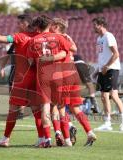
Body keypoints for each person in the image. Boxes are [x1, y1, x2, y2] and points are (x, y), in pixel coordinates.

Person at [0, 14, 44, 147]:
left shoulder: (19, 36)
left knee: (13, 109)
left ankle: (5, 138)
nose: (17, 25)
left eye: (19, 23)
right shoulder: (39, 36)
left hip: (22, 79)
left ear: (25, 23)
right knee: (36, 110)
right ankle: (42, 138)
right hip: (36, 78)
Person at [43, 17, 97, 147]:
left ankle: (66, 139)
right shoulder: (66, 37)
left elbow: (60, 53)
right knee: (75, 108)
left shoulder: (54, 38)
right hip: (73, 75)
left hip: (61, 75)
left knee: (57, 107)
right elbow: (74, 48)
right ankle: (89, 132)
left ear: (56, 27)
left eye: (52, 25)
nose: (49, 27)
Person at [27, 15, 73, 147]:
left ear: (37, 26)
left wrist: (42, 60)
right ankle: (67, 140)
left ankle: (47, 139)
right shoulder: (58, 37)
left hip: (42, 77)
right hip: (58, 76)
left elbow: (30, 61)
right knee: (60, 108)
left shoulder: (33, 40)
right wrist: (52, 58)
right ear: (49, 25)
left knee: (45, 107)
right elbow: (66, 52)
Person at [92, 17, 123, 131]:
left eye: (95, 25)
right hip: (103, 70)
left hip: (112, 68)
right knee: (104, 97)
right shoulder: (99, 39)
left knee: (113, 95)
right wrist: (97, 71)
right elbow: (101, 57)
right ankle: (107, 123)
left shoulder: (109, 36)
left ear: (100, 25)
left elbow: (116, 54)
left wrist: (107, 66)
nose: (93, 27)